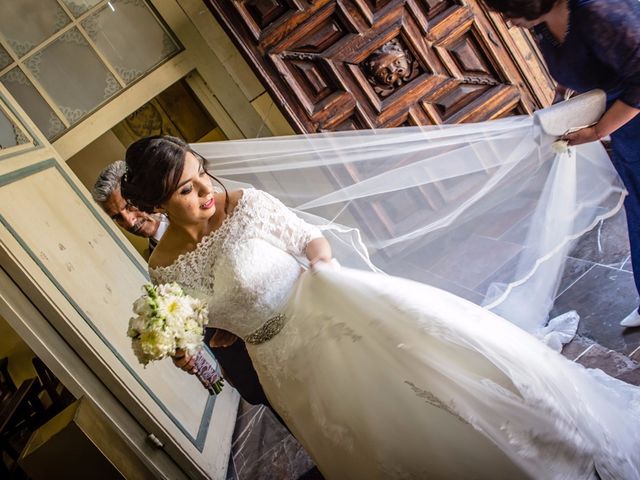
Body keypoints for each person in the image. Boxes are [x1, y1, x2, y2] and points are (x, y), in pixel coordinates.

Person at [122, 135, 640, 480]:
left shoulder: (245, 204)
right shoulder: (163, 270)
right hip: (281, 367)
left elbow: (311, 240)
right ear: (157, 203)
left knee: (425, 388)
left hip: (329, 314)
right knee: (366, 438)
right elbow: (210, 322)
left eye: (202, 175)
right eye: (187, 190)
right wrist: (198, 337)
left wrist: (324, 269)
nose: (205, 191)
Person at [480, 0, 640, 328]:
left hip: (629, 112)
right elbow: (573, 65)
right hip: (624, 124)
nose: (508, 23)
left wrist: (599, 130)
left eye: (508, 12)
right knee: (637, 208)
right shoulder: (541, 23)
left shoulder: (598, 12)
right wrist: (561, 105)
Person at [92, 161, 280, 412]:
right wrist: (186, 351)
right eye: (117, 216)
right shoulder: (156, 266)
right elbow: (196, 322)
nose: (129, 220)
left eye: (129, 206)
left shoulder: (220, 208)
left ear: (146, 195)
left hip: (282, 340)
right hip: (247, 370)